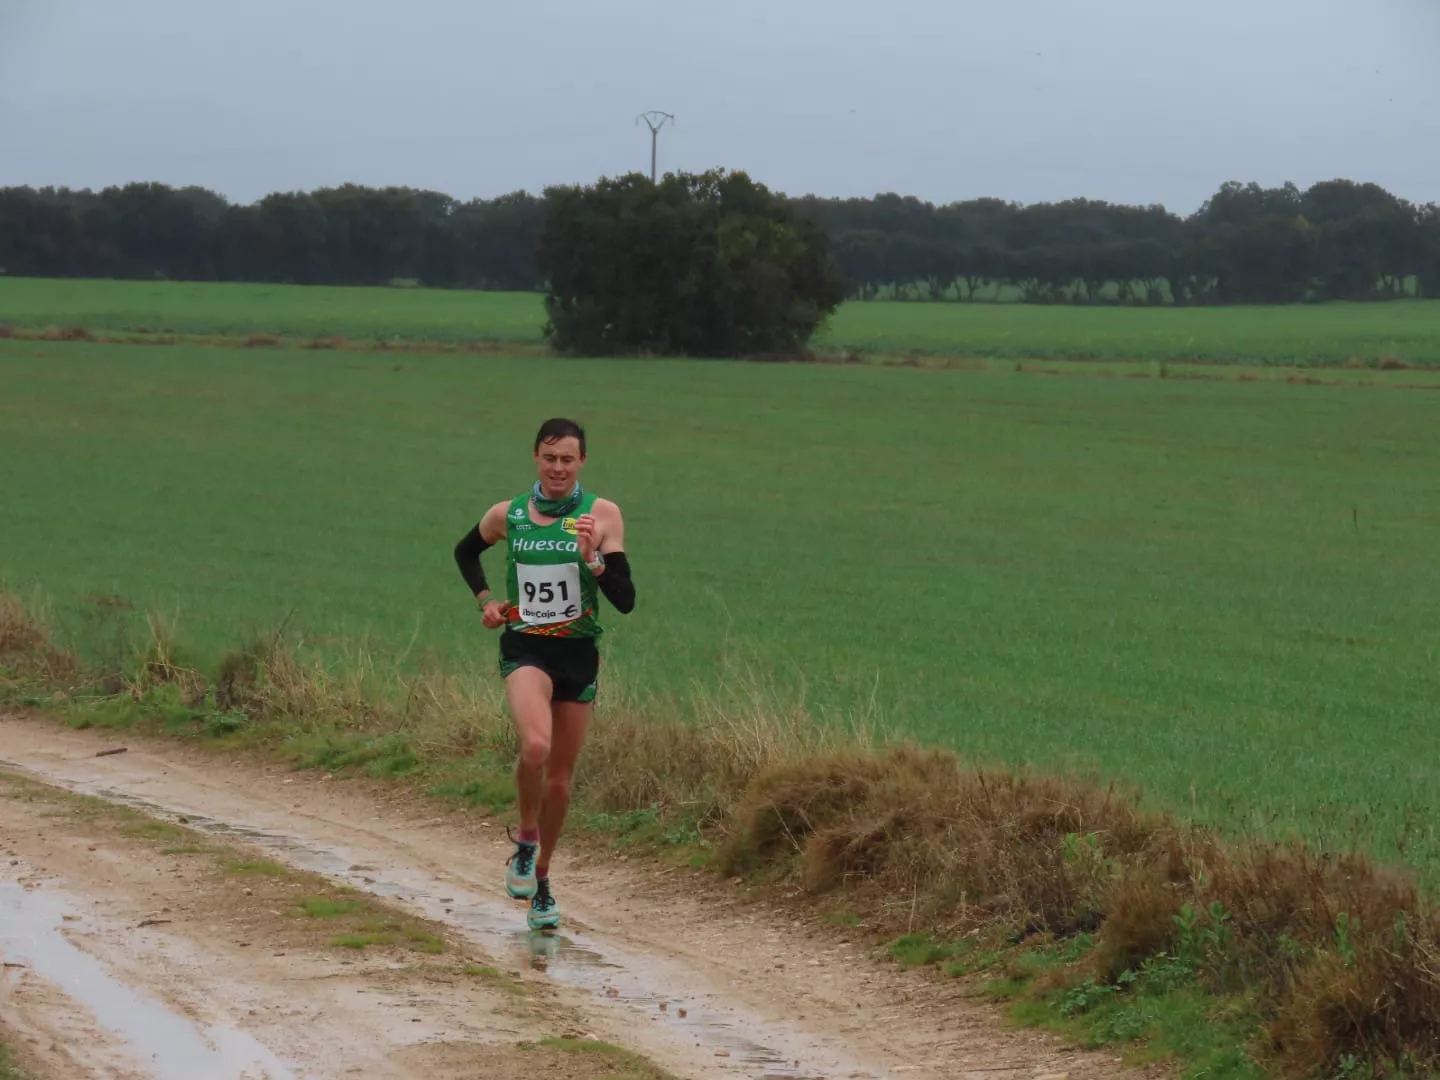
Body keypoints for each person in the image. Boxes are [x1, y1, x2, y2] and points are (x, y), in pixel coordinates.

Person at [452, 417, 635, 931]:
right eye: (549, 458)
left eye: (567, 460)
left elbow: (626, 599)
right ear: (536, 457)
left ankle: (543, 879)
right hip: (525, 648)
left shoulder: (601, 514)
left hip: (578, 655)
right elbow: (465, 551)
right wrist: (487, 601)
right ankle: (526, 842)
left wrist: (593, 560)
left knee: (559, 780)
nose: (558, 468)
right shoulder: (508, 514)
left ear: (582, 462)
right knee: (535, 746)